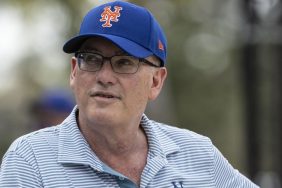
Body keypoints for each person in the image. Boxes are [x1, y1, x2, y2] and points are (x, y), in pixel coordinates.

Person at [0, 1, 259, 187]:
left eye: (124, 62)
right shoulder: (30, 159)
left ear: (156, 81)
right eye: (91, 59)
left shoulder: (197, 153)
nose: (104, 76)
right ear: (74, 72)